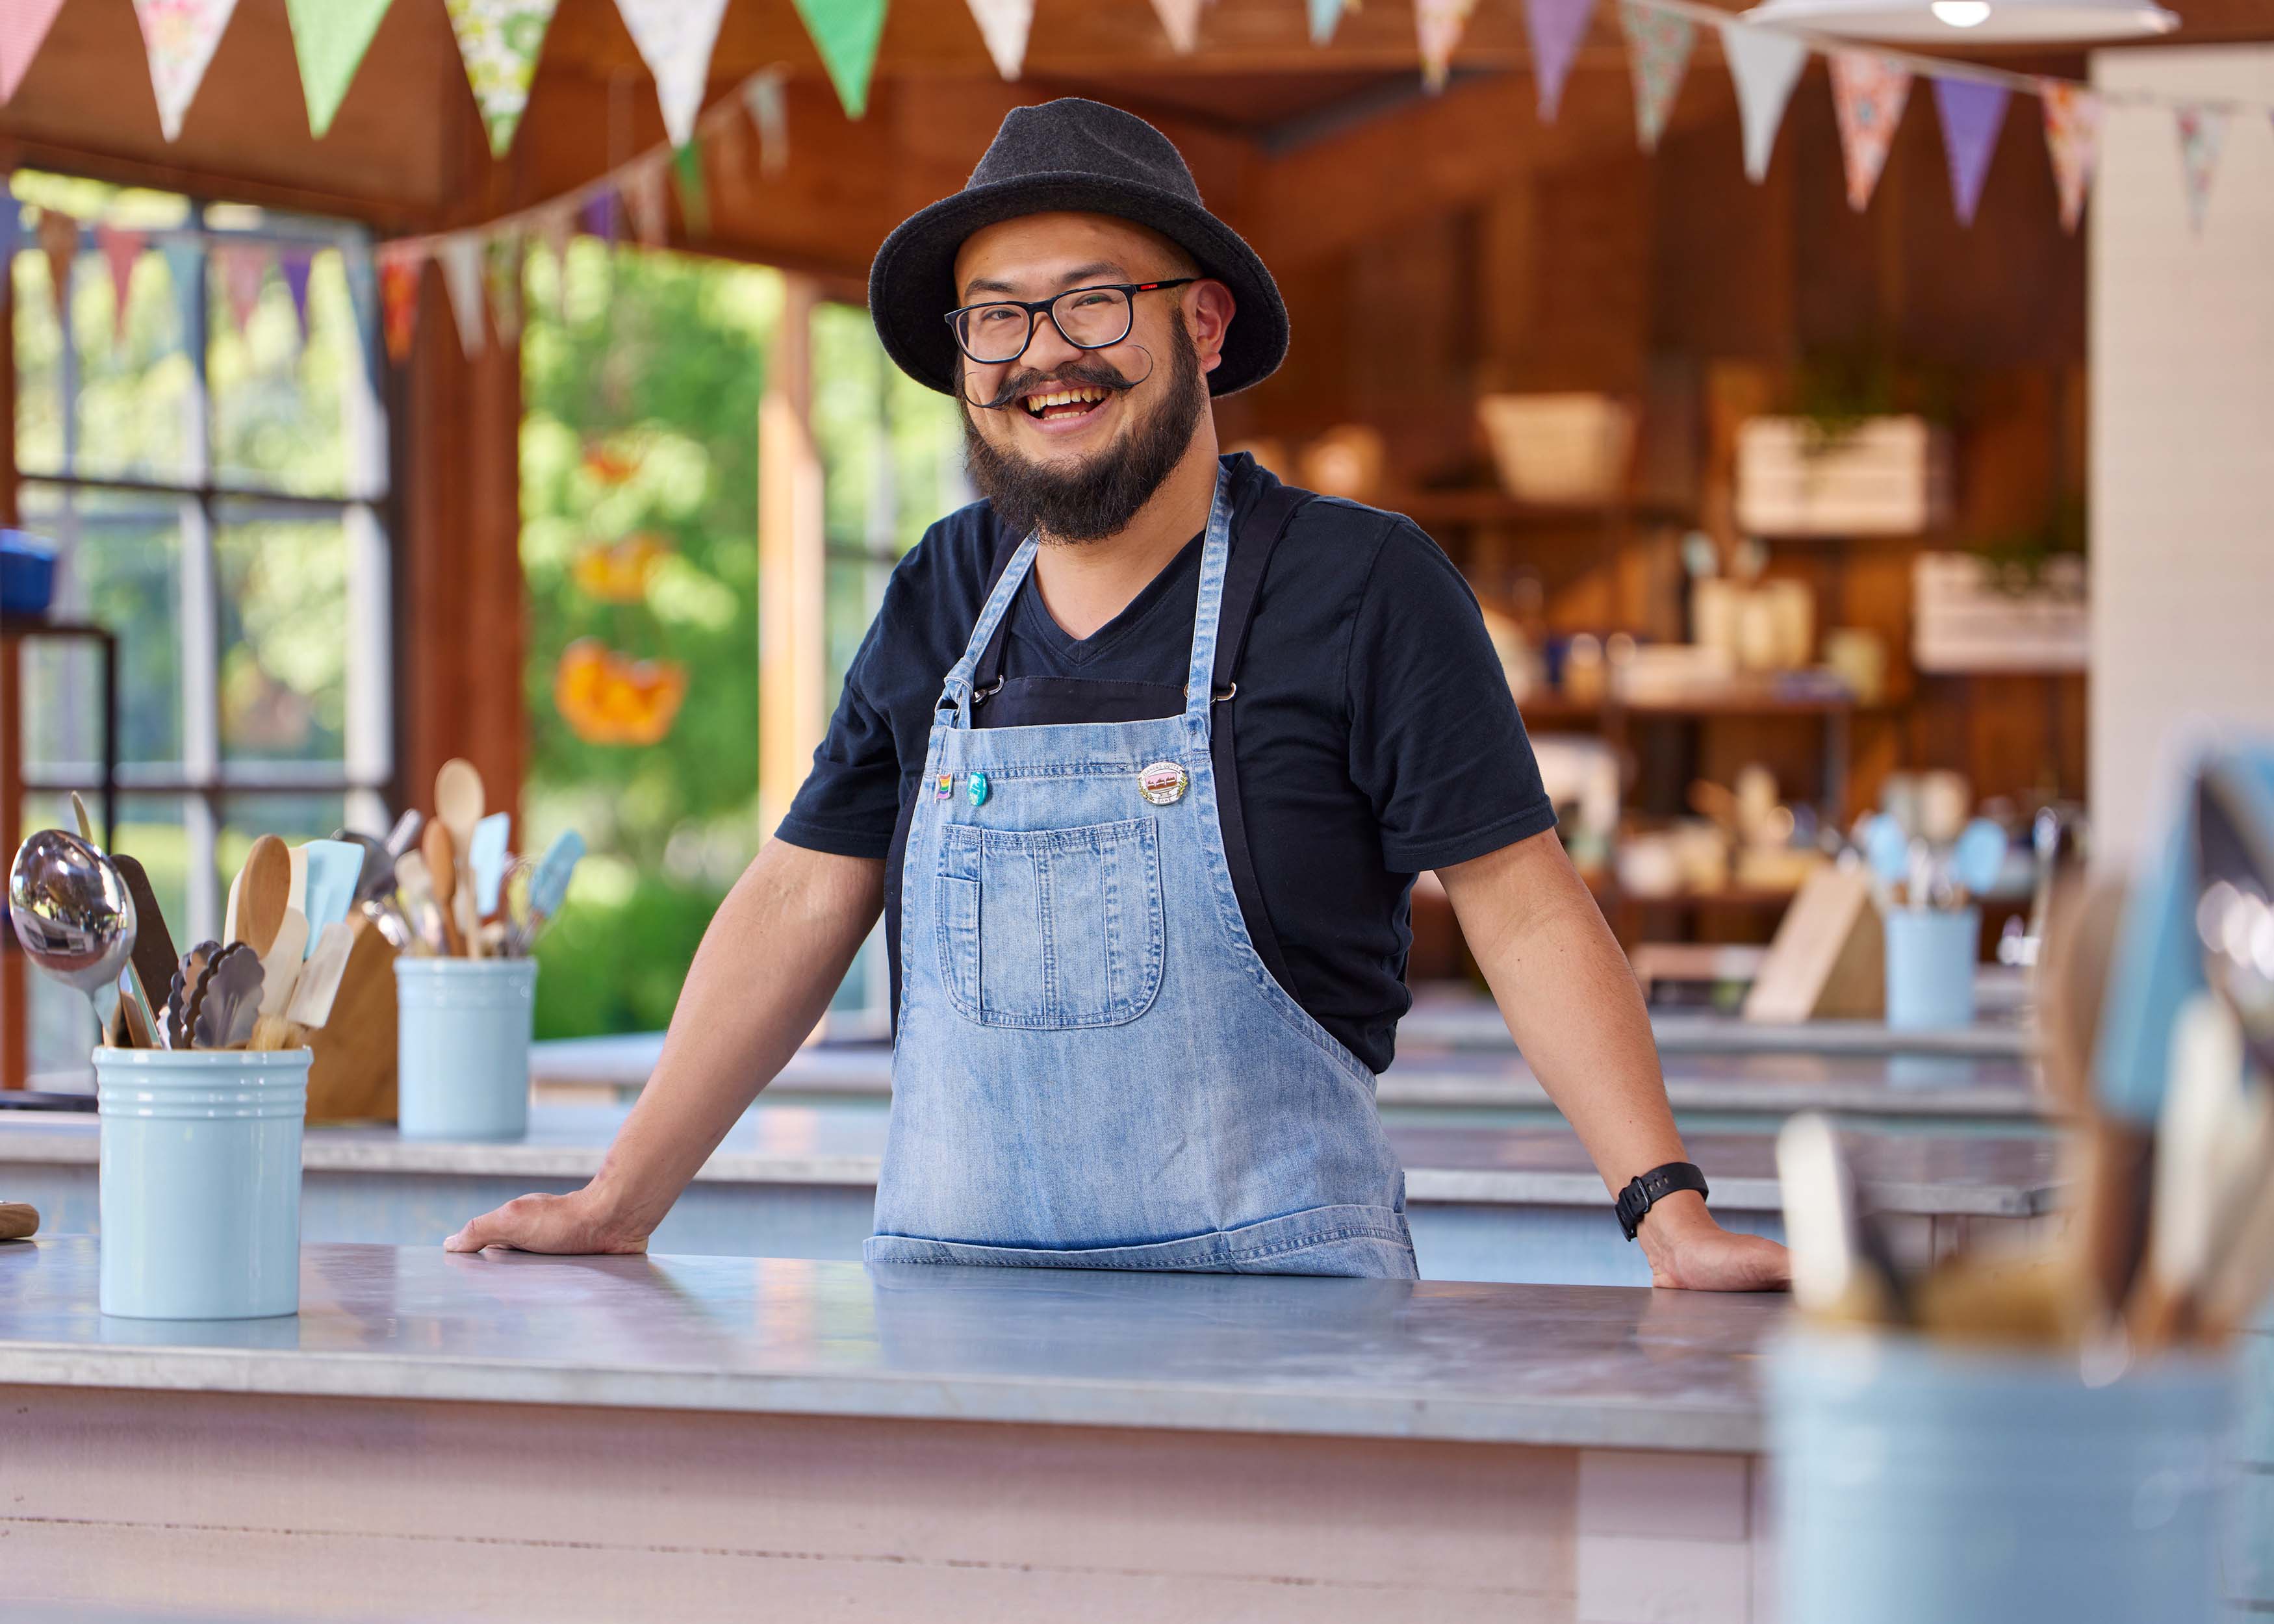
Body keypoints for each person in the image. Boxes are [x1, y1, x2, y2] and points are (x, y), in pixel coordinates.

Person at [448, 98, 1789, 1289]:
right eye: (997, 316)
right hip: (949, 1315)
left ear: (1200, 323)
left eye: (1093, 301)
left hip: (1290, 1326)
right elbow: (805, 889)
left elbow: (1525, 908)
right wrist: (620, 1199)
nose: (1045, 353)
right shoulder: (942, 589)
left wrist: (1663, 1209)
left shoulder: (1363, 585)